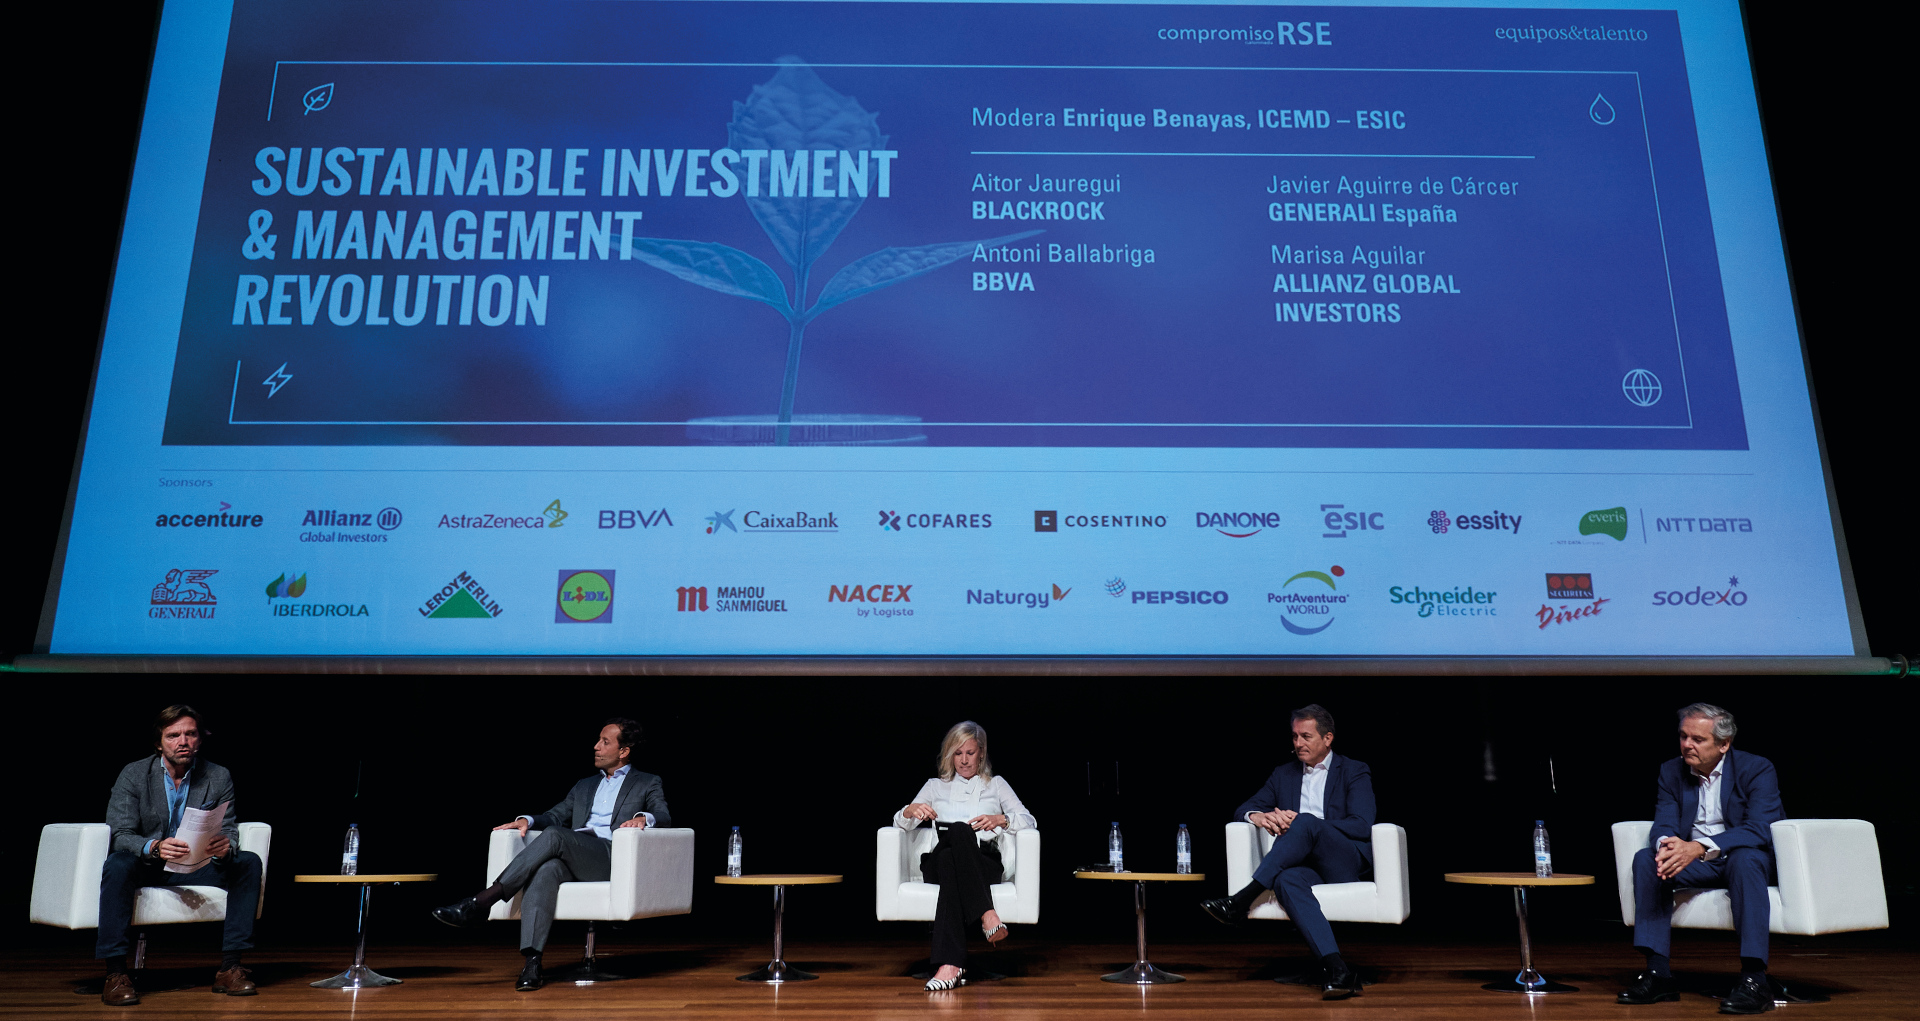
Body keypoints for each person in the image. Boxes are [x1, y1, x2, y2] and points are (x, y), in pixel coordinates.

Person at [431, 718, 670, 991]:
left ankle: (483, 901)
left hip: (611, 857)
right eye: (598, 740)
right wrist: (527, 820)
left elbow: (663, 814)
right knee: (546, 870)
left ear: (624, 751)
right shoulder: (584, 785)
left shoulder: (647, 781)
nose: (596, 746)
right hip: (577, 854)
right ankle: (532, 964)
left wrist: (643, 817)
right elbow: (556, 815)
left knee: (556, 835)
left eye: (605, 742)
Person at [1200, 703, 1373, 1000]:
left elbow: (1361, 824)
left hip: (1342, 860)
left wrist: (1309, 824)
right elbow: (1243, 808)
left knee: (1304, 822)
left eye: (1306, 736)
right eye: (1294, 736)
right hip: (1306, 865)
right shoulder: (1283, 774)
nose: (1298, 743)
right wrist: (1258, 816)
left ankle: (1241, 901)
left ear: (1328, 738)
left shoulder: (1354, 770)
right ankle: (1338, 970)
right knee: (1286, 880)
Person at [1618, 703, 1783, 1015]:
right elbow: (1664, 822)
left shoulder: (1756, 768)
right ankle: (1658, 974)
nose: (1687, 745)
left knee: (1746, 859)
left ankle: (1754, 980)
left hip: (1739, 858)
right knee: (1647, 860)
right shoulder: (1671, 770)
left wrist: (1698, 846)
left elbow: (1759, 828)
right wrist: (1668, 846)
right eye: (1683, 736)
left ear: (1724, 744)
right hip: (1694, 862)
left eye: (1697, 739)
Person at [96, 705, 263, 1006]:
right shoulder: (134, 774)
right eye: (173, 735)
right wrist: (155, 846)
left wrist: (225, 847)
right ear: (159, 743)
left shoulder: (218, 775)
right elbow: (120, 834)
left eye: (190, 734)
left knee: (248, 862)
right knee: (117, 864)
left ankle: (230, 968)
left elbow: (228, 827)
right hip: (149, 864)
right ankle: (116, 974)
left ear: (200, 739)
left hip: (195, 864)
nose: (183, 742)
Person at [894, 721, 1036, 992]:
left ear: (981, 753)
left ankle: (950, 965)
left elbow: (1029, 820)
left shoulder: (996, 785)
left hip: (983, 862)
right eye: (957, 754)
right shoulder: (934, 786)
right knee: (956, 836)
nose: (964, 760)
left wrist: (1002, 819)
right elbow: (901, 823)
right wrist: (910, 811)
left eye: (970, 753)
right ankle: (987, 915)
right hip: (935, 862)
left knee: (952, 859)